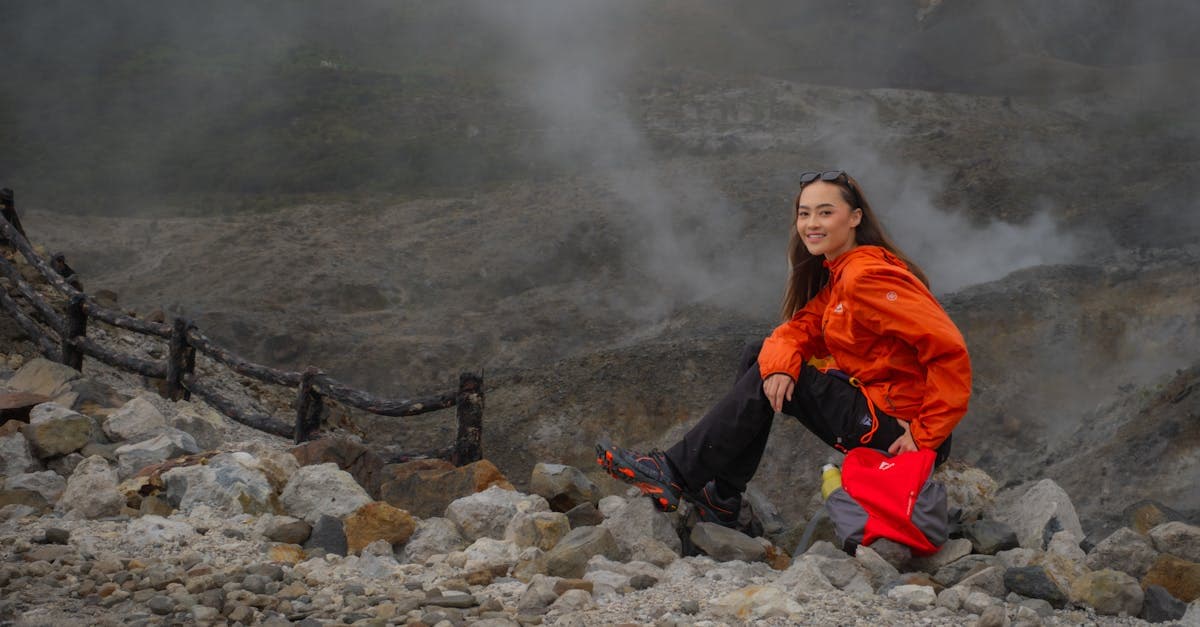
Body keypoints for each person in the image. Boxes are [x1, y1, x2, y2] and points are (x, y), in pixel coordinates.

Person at [596, 170, 971, 528]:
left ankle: (674, 472)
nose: (812, 224)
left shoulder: (866, 277)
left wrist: (923, 437)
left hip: (899, 434)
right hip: (879, 413)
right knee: (759, 355)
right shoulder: (843, 275)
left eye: (826, 212)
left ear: (855, 217)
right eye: (804, 214)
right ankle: (721, 498)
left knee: (764, 367)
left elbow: (949, 351)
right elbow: (796, 330)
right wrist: (779, 366)